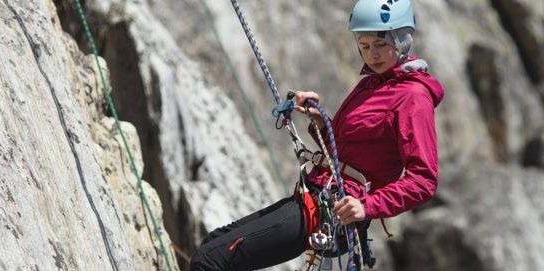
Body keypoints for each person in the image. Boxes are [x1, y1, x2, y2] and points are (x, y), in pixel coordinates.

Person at [190, 0, 443, 269]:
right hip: (314, 194)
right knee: (213, 244)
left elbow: (423, 180)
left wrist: (367, 206)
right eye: (364, 45)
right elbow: (352, 151)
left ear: (402, 39)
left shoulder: (413, 97)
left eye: (380, 44)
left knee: (210, 260)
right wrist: (322, 124)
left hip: (332, 210)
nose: (372, 54)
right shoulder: (371, 84)